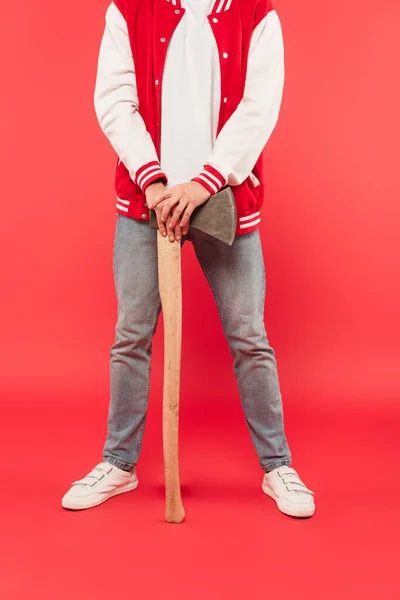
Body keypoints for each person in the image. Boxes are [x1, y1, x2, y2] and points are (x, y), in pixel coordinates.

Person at [62, 0, 315, 518]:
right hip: (146, 198)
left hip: (222, 196)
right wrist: (152, 179)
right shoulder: (129, 9)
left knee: (250, 337)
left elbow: (260, 105)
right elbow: (114, 99)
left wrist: (205, 181)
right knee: (130, 335)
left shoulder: (256, 11)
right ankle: (118, 464)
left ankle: (277, 465)